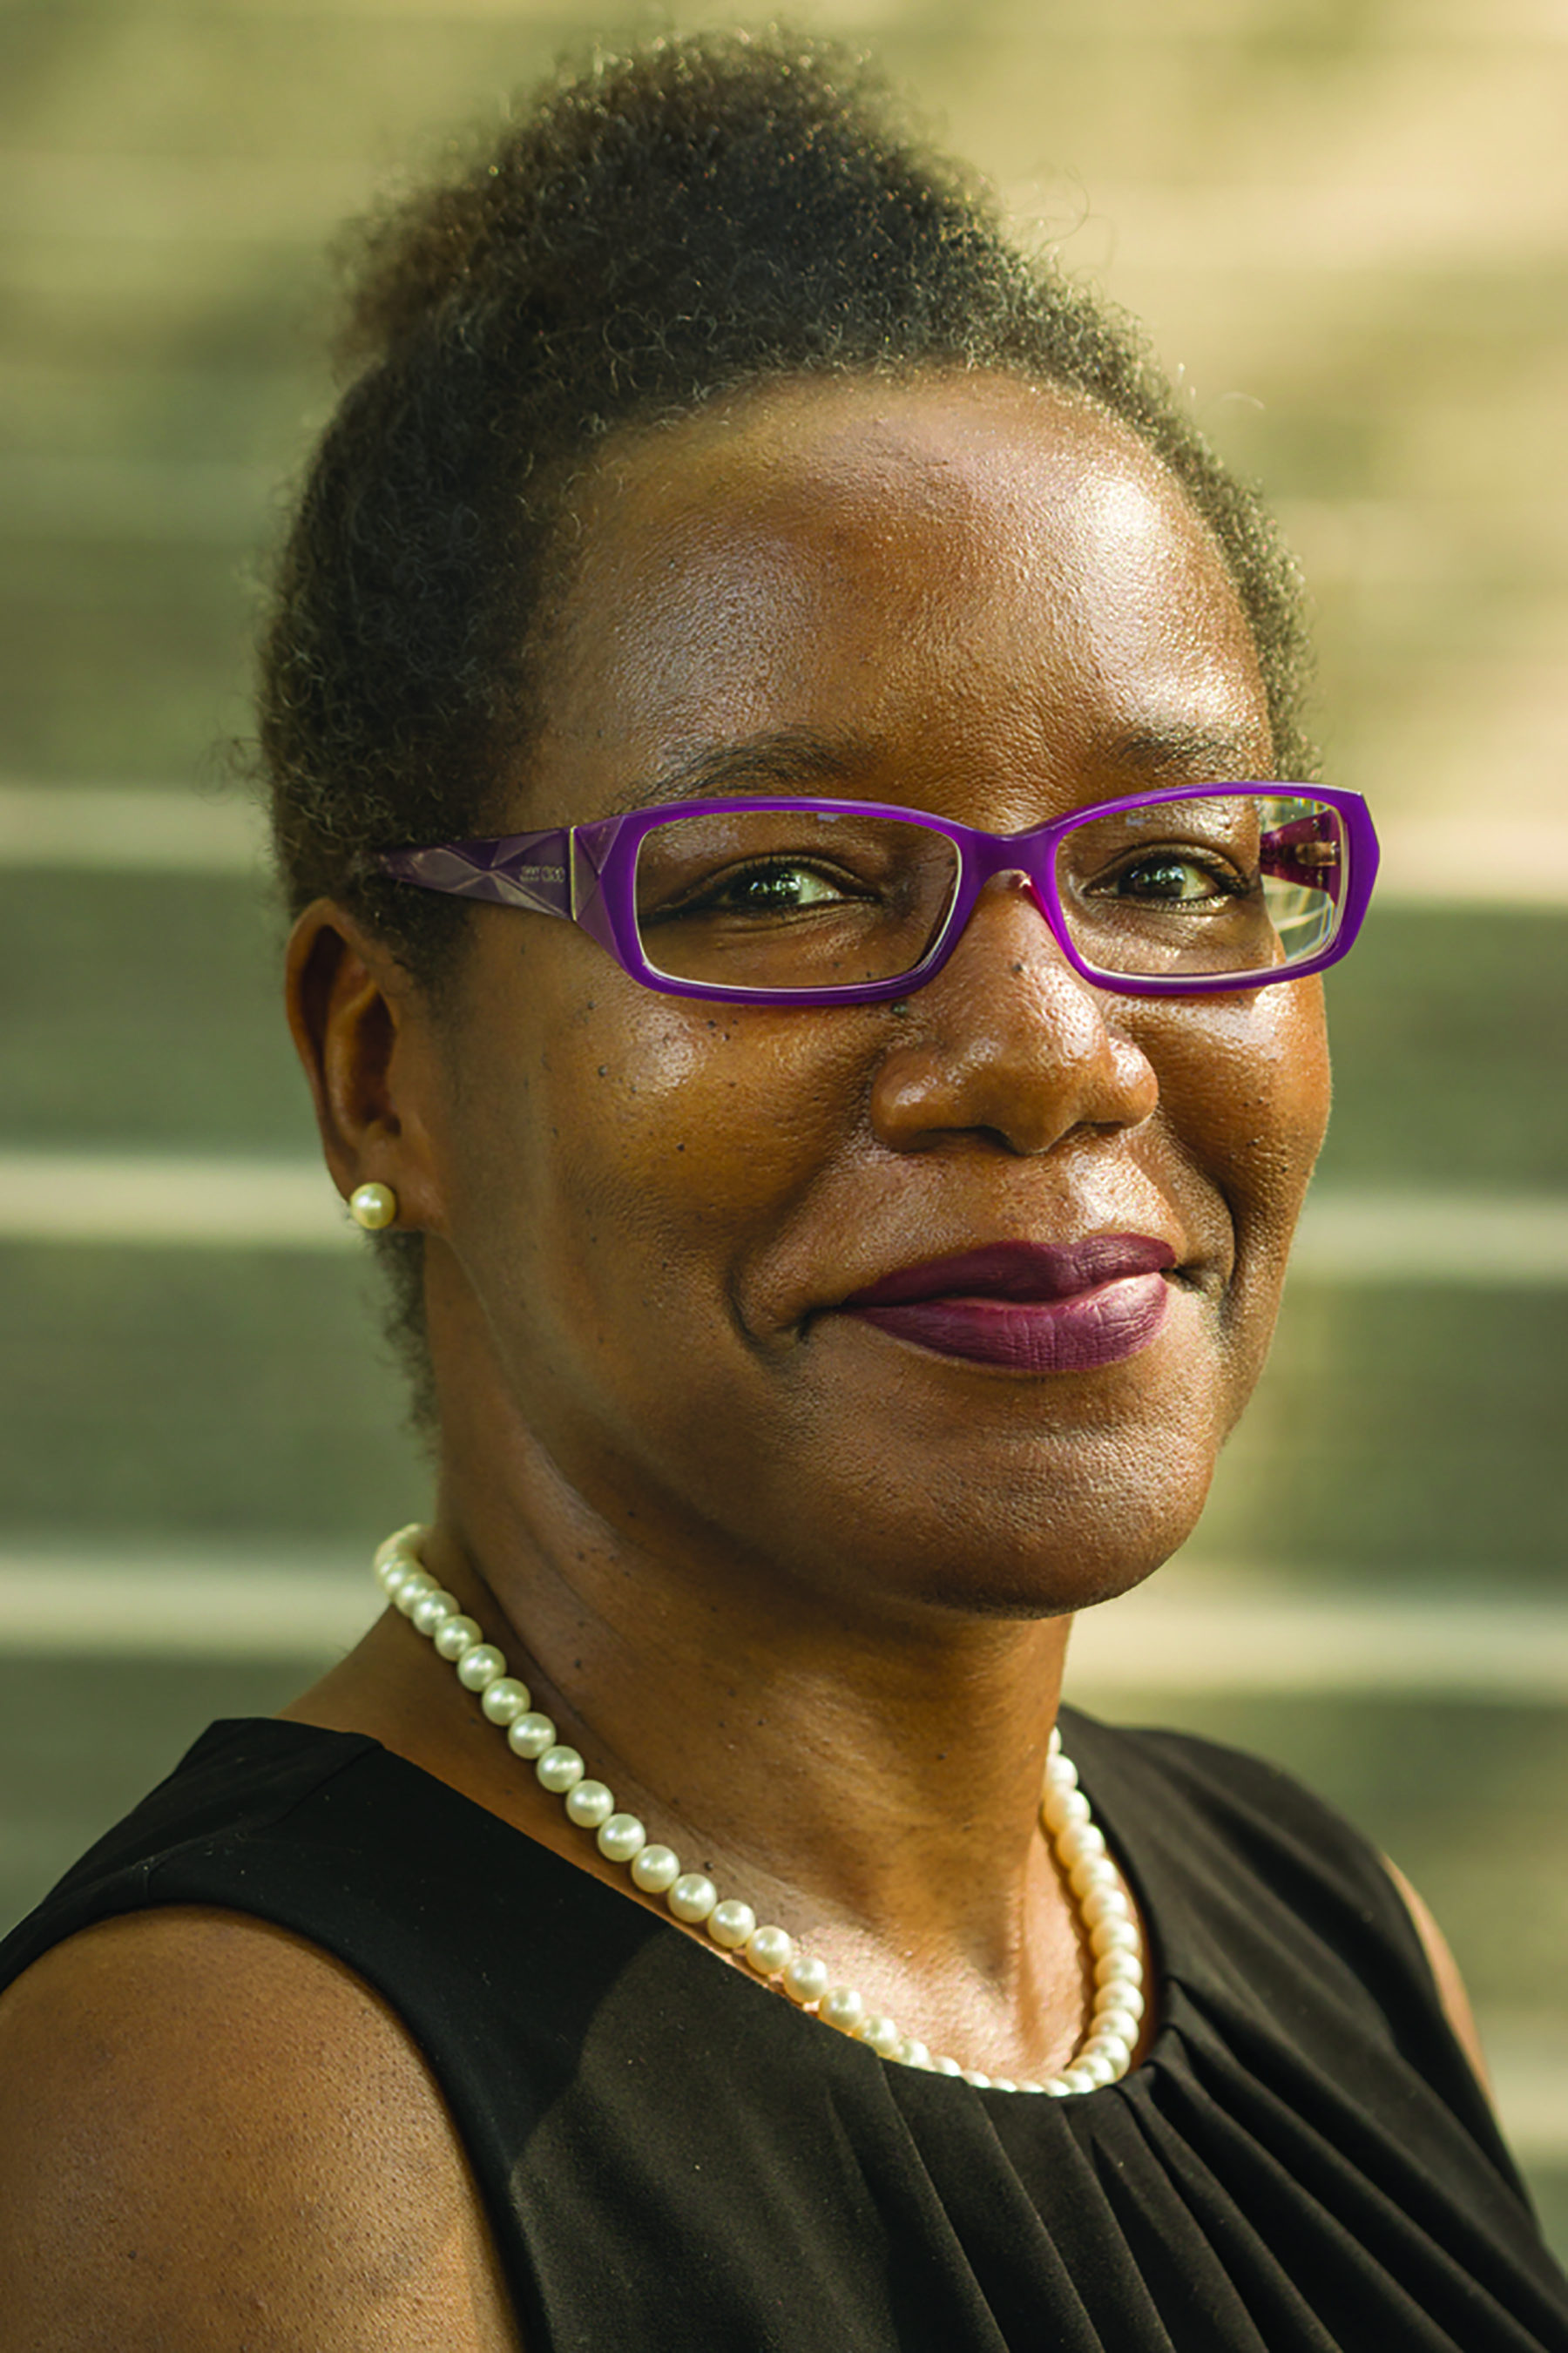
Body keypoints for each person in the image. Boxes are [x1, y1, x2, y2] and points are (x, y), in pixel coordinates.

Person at [0, 32, 1564, 2352]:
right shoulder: (263, 2129)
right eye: (785, 882)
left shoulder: (1318, 1925)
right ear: (380, 1069)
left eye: (1165, 862)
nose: (1051, 1044)